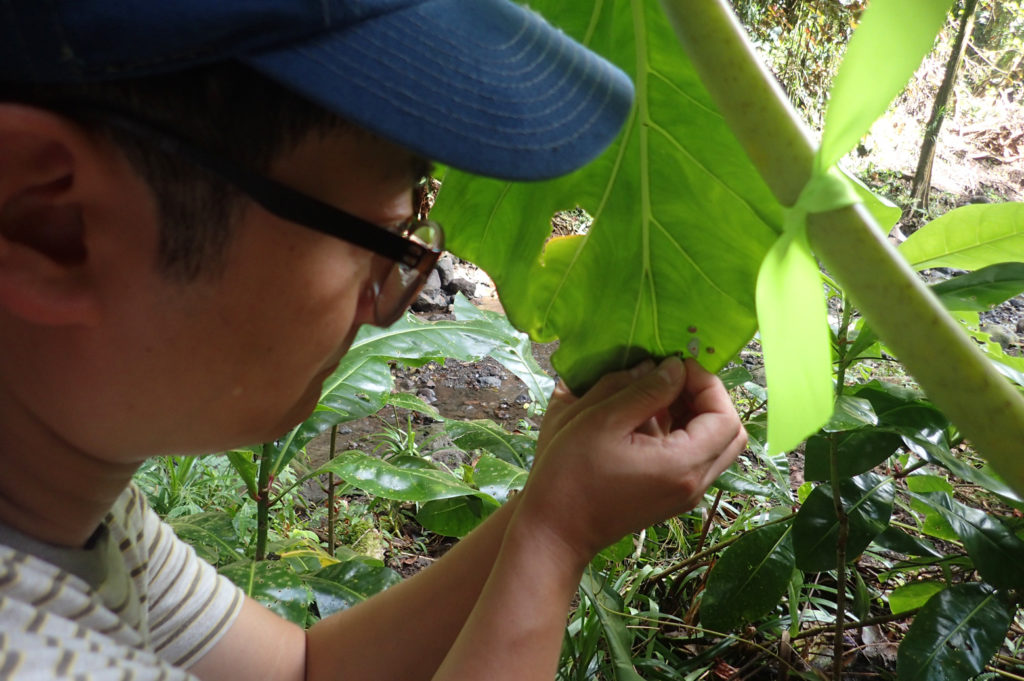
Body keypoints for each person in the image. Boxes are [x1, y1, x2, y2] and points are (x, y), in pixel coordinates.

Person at [0, 1, 748, 679]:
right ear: (51, 223)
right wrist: (555, 541)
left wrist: (547, 499)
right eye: (387, 237)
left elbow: (302, 670)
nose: (392, 299)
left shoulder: (59, 505)